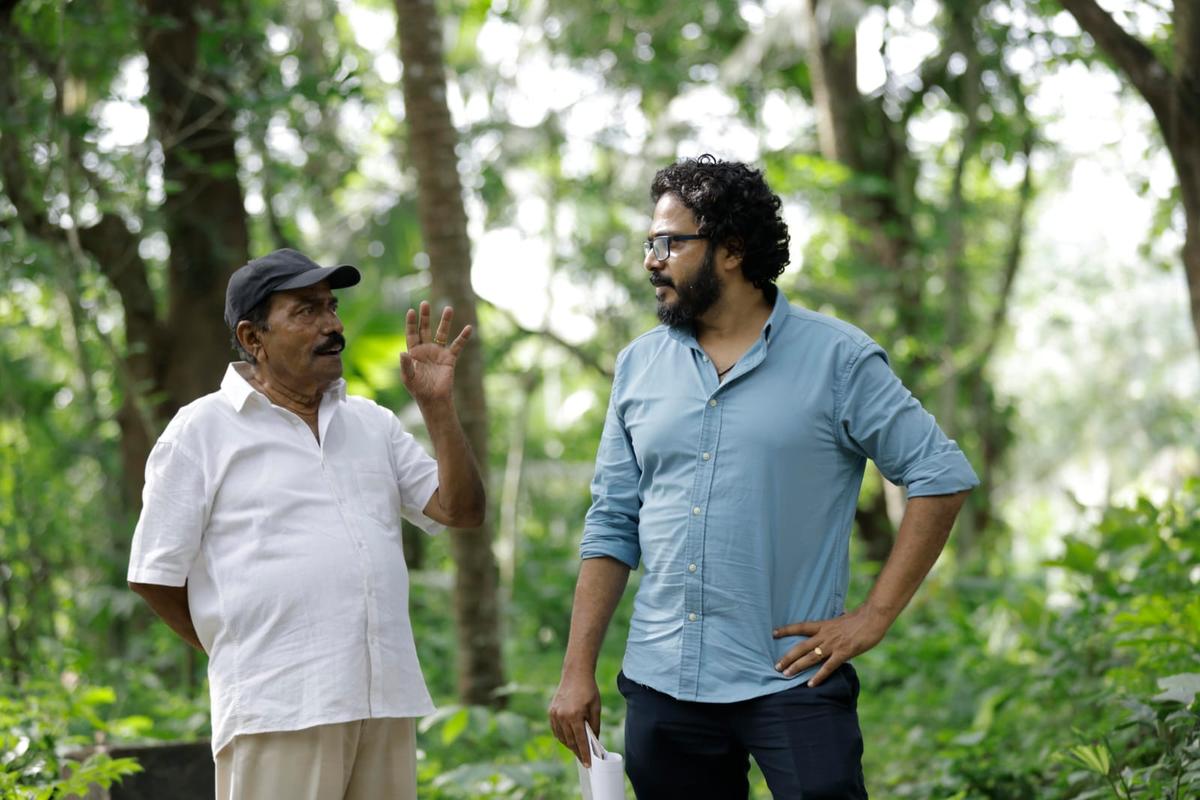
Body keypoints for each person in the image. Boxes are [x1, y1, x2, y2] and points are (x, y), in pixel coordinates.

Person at [548, 156, 979, 798]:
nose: (651, 261)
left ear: (731, 250)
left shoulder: (838, 358)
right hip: (664, 681)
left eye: (670, 243)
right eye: (649, 243)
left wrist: (872, 617)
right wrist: (576, 670)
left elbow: (940, 474)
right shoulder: (638, 366)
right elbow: (612, 522)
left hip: (792, 680)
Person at [127, 248, 485, 800]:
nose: (332, 325)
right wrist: (242, 647)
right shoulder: (199, 431)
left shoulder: (372, 423)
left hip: (383, 700)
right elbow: (153, 575)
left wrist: (437, 406)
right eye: (306, 311)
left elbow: (461, 511)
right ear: (253, 338)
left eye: (331, 307)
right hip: (277, 707)